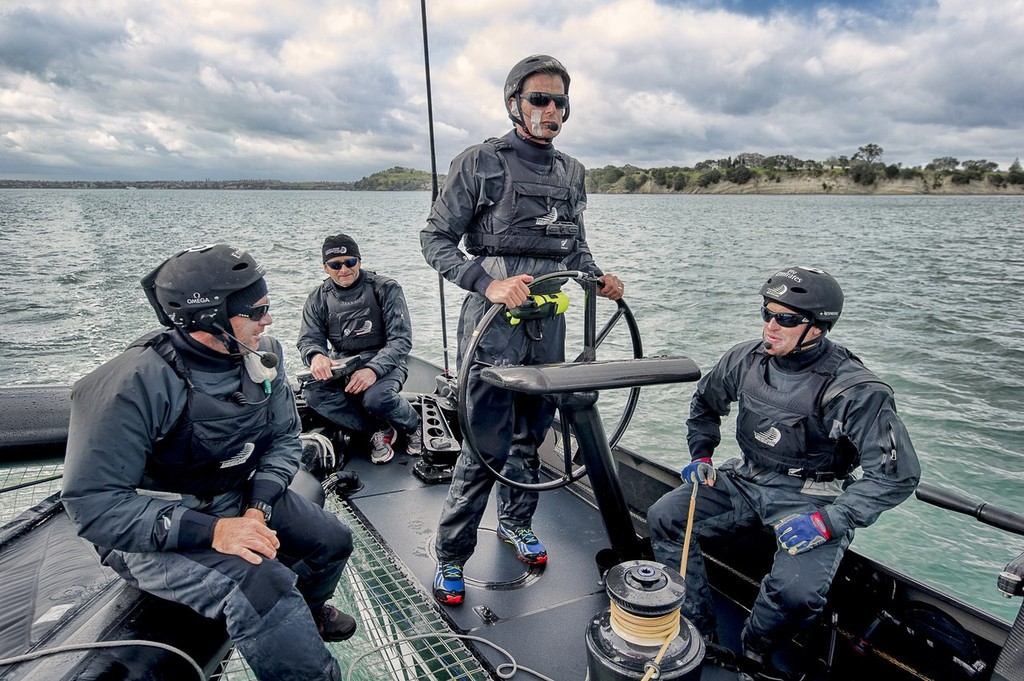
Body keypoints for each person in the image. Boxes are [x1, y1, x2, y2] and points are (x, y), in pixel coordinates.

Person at [61, 244, 355, 681]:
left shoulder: (264, 355)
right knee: (260, 585)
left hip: (234, 495)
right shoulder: (131, 383)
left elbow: (284, 439)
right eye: (257, 311)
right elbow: (93, 505)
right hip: (154, 524)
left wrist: (259, 505)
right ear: (210, 318)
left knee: (332, 539)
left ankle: (307, 615)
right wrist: (215, 530)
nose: (268, 320)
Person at [421, 54, 625, 606]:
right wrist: (485, 283)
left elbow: (572, 246)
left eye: (560, 101)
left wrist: (596, 277)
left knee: (533, 436)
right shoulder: (480, 162)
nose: (551, 109)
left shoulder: (572, 173)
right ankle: (450, 556)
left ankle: (517, 522)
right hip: (491, 325)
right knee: (483, 444)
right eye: (539, 99)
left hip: (548, 322)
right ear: (515, 104)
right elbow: (435, 240)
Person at [647, 266, 920, 668]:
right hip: (745, 477)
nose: (771, 326)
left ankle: (756, 650)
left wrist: (830, 521)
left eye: (787, 319)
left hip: (812, 497)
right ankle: (697, 631)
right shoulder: (744, 359)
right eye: (767, 312)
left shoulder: (857, 390)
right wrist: (701, 455)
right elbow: (705, 405)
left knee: (797, 593)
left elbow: (896, 476)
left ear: (818, 326)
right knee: (665, 516)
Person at [297, 234, 421, 465]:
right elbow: (309, 339)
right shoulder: (317, 298)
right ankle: (377, 430)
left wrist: (373, 370)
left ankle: (413, 424)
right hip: (343, 363)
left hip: (385, 359)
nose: (343, 269)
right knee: (313, 394)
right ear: (326, 268)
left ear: (359, 262)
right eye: (335, 264)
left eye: (350, 262)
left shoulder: (386, 288)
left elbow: (401, 340)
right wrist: (316, 357)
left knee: (376, 398)